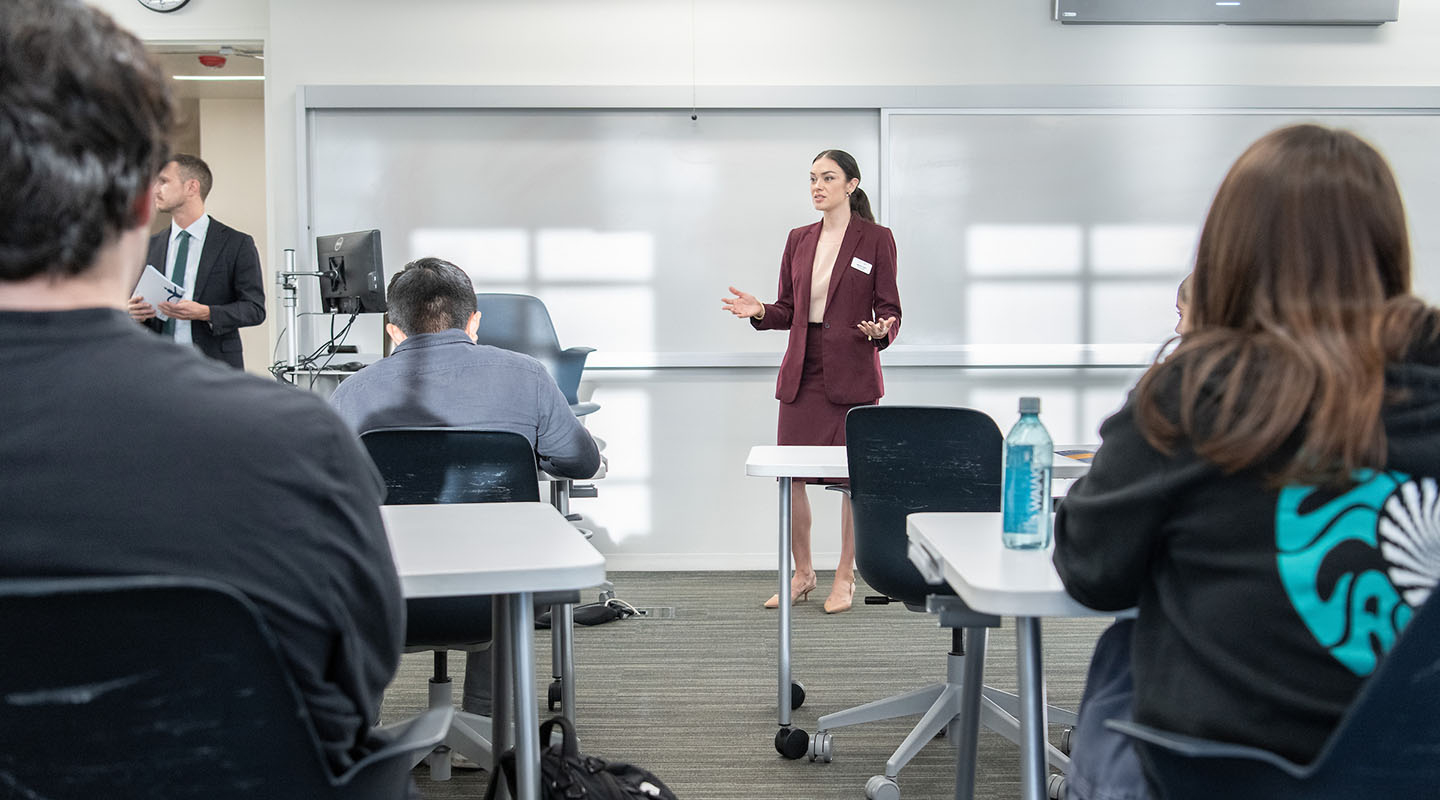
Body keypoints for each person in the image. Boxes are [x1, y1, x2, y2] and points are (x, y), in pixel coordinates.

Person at [0, 0, 403, 777]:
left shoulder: (233, 249)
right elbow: (351, 697)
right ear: (132, 200)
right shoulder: (294, 447)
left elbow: (248, 308)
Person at [1053, 124, 1440, 798]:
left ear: (1230, 252)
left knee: (1124, 650)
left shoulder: (1194, 393)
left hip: (1215, 777)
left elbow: (1092, 573)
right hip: (1413, 772)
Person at [329, 256, 601, 738]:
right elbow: (580, 462)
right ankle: (486, 726)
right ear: (474, 321)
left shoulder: (353, 392)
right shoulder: (528, 376)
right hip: (498, 593)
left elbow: (330, 494)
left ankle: (357, 736)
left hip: (389, 594)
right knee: (503, 552)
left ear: (393, 331)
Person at [723, 149, 901, 614]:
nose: (817, 187)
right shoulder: (799, 239)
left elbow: (890, 307)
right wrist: (761, 310)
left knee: (850, 481)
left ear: (852, 185)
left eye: (827, 178)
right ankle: (803, 574)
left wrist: (883, 329)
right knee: (792, 476)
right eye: (812, 179)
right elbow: (788, 309)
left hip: (854, 371)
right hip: (803, 368)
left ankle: (845, 576)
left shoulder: (876, 239)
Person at [126, 153, 266, 369]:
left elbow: (254, 309)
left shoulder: (236, 244)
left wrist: (207, 312)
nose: (155, 189)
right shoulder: (149, 246)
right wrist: (132, 312)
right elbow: (128, 304)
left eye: (163, 181)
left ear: (192, 187)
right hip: (157, 367)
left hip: (214, 367)